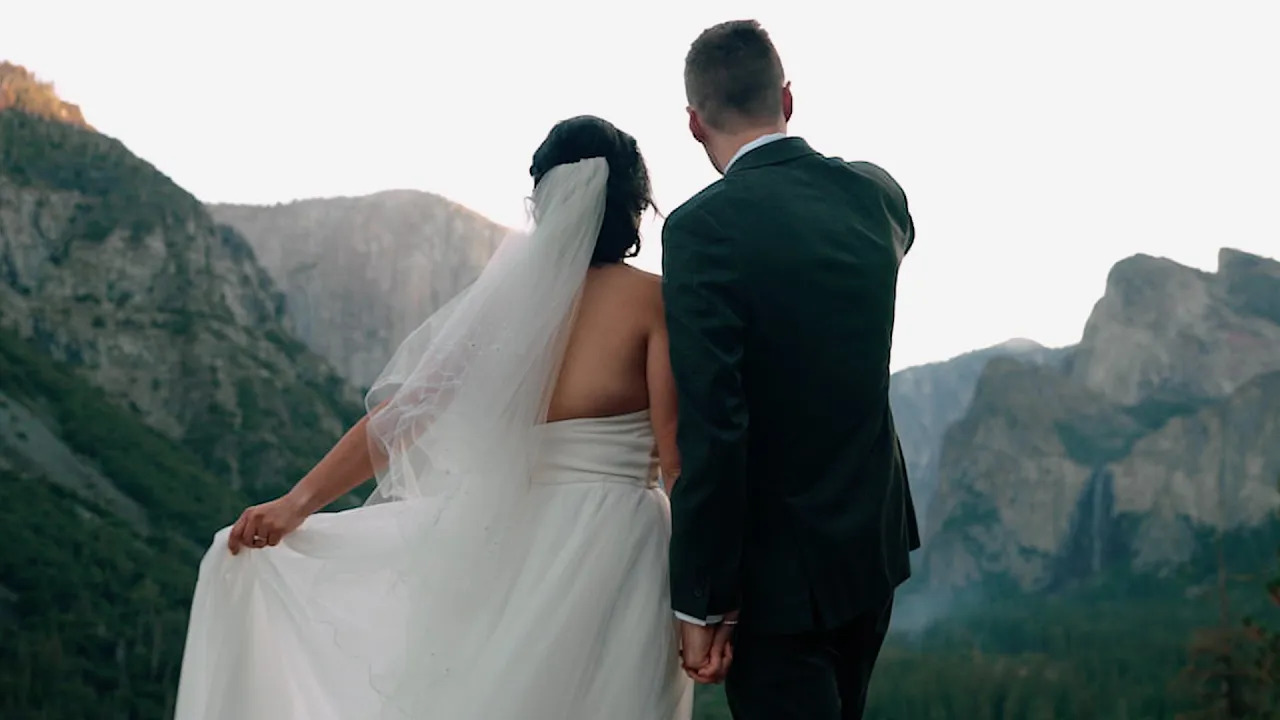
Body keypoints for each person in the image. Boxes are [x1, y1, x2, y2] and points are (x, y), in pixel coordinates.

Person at [173, 116, 693, 720]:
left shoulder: (505, 312)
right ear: (633, 202)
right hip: (621, 548)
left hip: (508, 540)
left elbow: (401, 418)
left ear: (545, 198)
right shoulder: (657, 303)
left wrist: (297, 503)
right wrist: (707, 601)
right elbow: (677, 458)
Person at [662, 20, 921, 720]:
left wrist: (702, 597)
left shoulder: (700, 231)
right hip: (872, 551)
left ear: (694, 124)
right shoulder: (878, 197)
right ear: (788, 98)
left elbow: (716, 428)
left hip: (775, 583)